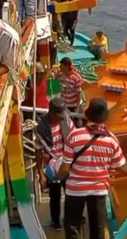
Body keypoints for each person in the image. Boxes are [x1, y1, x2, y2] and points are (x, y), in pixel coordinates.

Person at [57, 98, 127, 239]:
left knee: (72, 226)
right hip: (98, 190)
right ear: (104, 119)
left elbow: (65, 168)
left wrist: (57, 177)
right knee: (98, 229)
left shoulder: (74, 136)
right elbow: (125, 168)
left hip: (75, 189)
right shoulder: (111, 140)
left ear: (88, 116)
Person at [35, 98, 80, 231]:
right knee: (54, 196)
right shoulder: (41, 129)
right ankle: (56, 221)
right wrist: (41, 174)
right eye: (59, 116)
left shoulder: (66, 121)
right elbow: (38, 151)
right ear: (52, 113)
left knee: (72, 193)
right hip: (53, 167)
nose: (61, 119)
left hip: (67, 163)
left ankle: (74, 217)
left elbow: (75, 138)